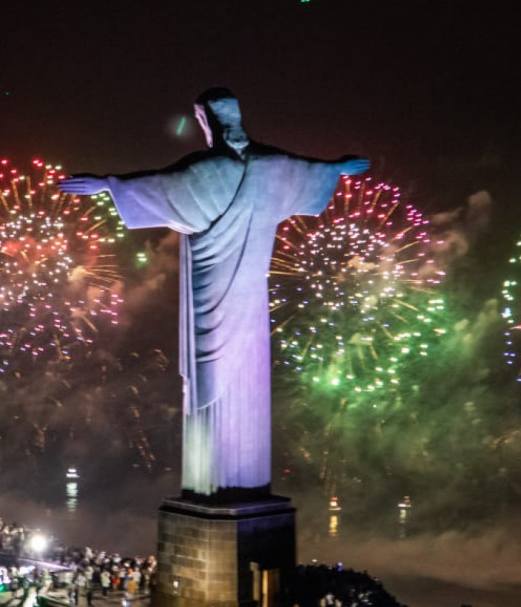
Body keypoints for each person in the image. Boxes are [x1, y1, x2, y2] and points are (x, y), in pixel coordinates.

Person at [60, 88, 368, 496]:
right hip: (252, 302)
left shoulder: (206, 171)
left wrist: (107, 185)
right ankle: (242, 483)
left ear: (206, 122)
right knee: (242, 383)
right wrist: (338, 168)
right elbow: (309, 171)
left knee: (210, 384)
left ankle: (213, 486)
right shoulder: (274, 167)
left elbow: (160, 187)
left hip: (211, 295)